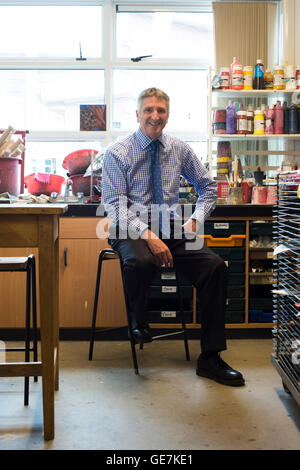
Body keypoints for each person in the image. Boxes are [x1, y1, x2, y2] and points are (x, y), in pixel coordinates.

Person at [102, 87, 244, 387]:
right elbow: (114, 205)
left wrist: (195, 220)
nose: (155, 116)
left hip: (170, 226)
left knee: (215, 267)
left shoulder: (178, 149)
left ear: (168, 114)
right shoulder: (118, 152)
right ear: (138, 114)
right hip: (127, 226)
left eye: (161, 110)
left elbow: (208, 187)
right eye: (149, 110)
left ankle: (210, 357)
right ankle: (138, 324)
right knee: (140, 260)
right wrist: (149, 235)